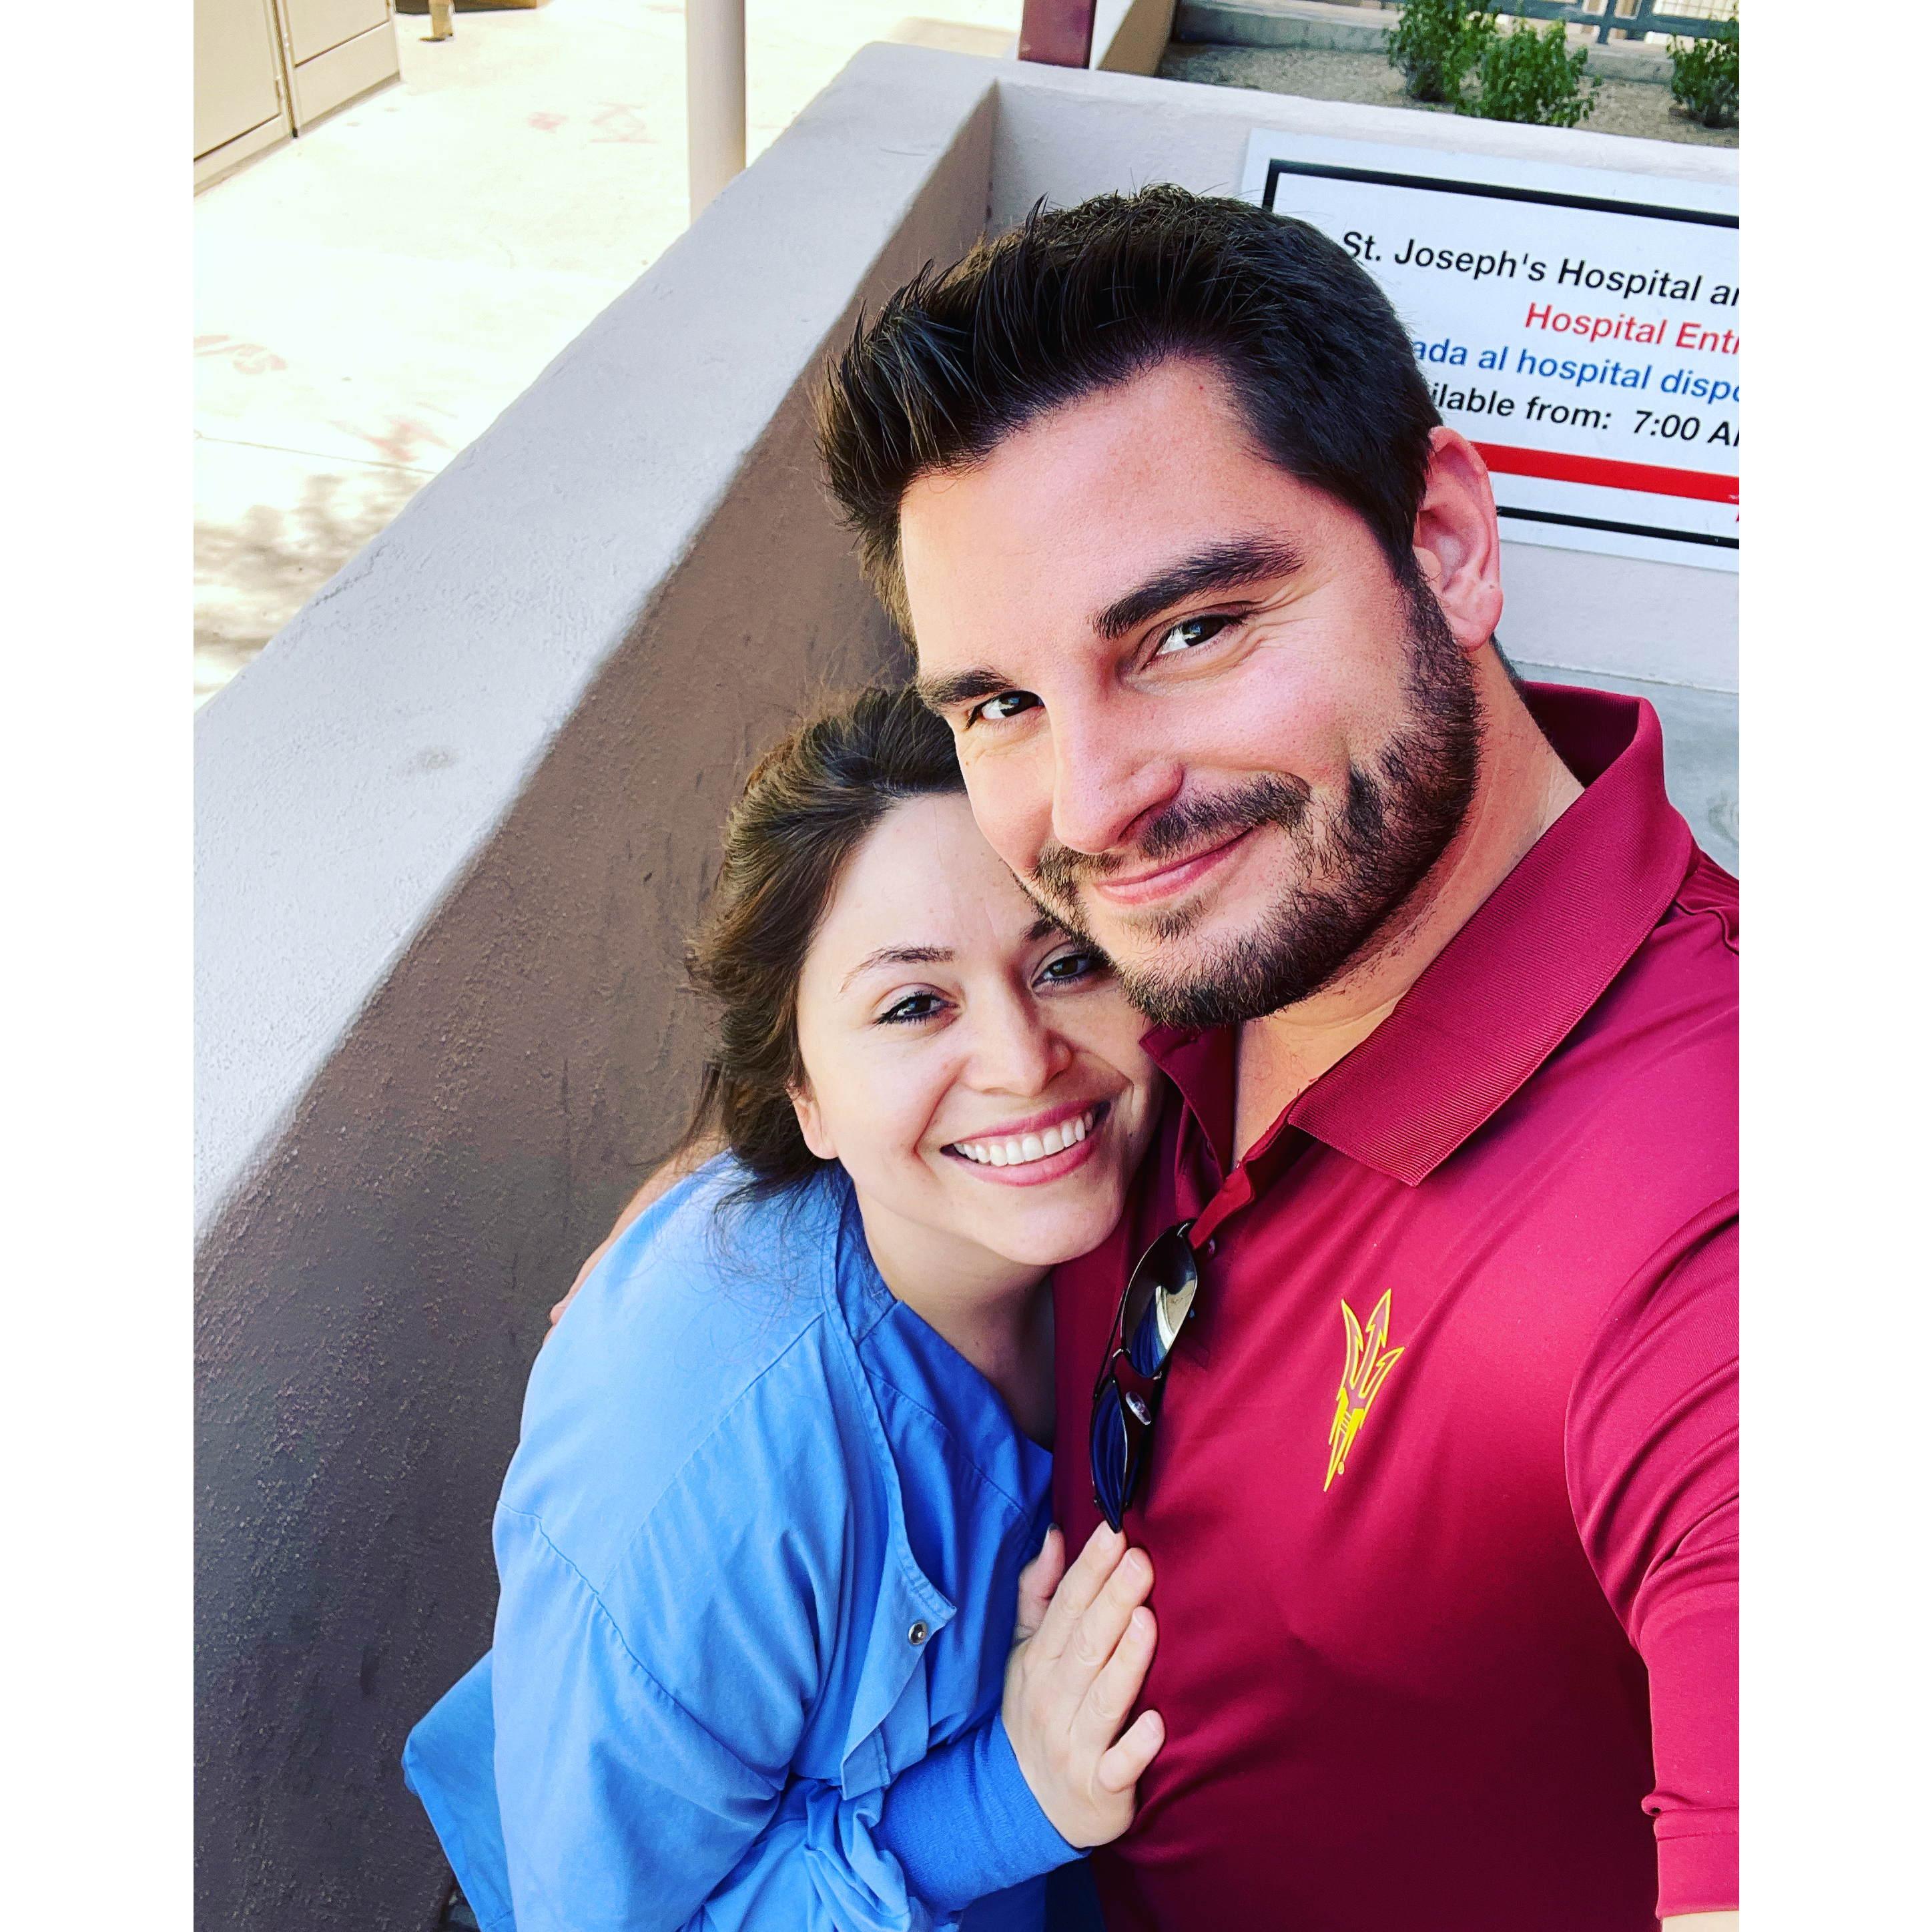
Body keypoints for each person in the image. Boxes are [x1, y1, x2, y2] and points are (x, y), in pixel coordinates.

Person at [580, 186, 1736, 1930]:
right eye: (1002, 704)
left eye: (1189, 632)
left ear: (1442, 543)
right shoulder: (1169, 966)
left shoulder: (1716, 1209)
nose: (1097, 804)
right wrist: (700, 1207)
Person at [404, 687, 1172, 1932]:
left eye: (1067, 961)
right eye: (915, 1005)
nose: (1025, 1059)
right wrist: (1003, 1798)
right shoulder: (702, 1478)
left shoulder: (1159, 1167)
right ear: (804, 1096)